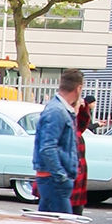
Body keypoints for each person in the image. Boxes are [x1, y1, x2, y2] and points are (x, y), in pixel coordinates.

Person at [32, 68, 83, 214]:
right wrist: (61, 176)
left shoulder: (58, 109)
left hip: (51, 178)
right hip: (53, 179)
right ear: (78, 88)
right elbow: (47, 147)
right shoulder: (57, 111)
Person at [71, 94, 95, 214]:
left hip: (77, 188)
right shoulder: (67, 127)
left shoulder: (76, 129)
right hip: (68, 187)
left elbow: (83, 122)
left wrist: (83, 107)